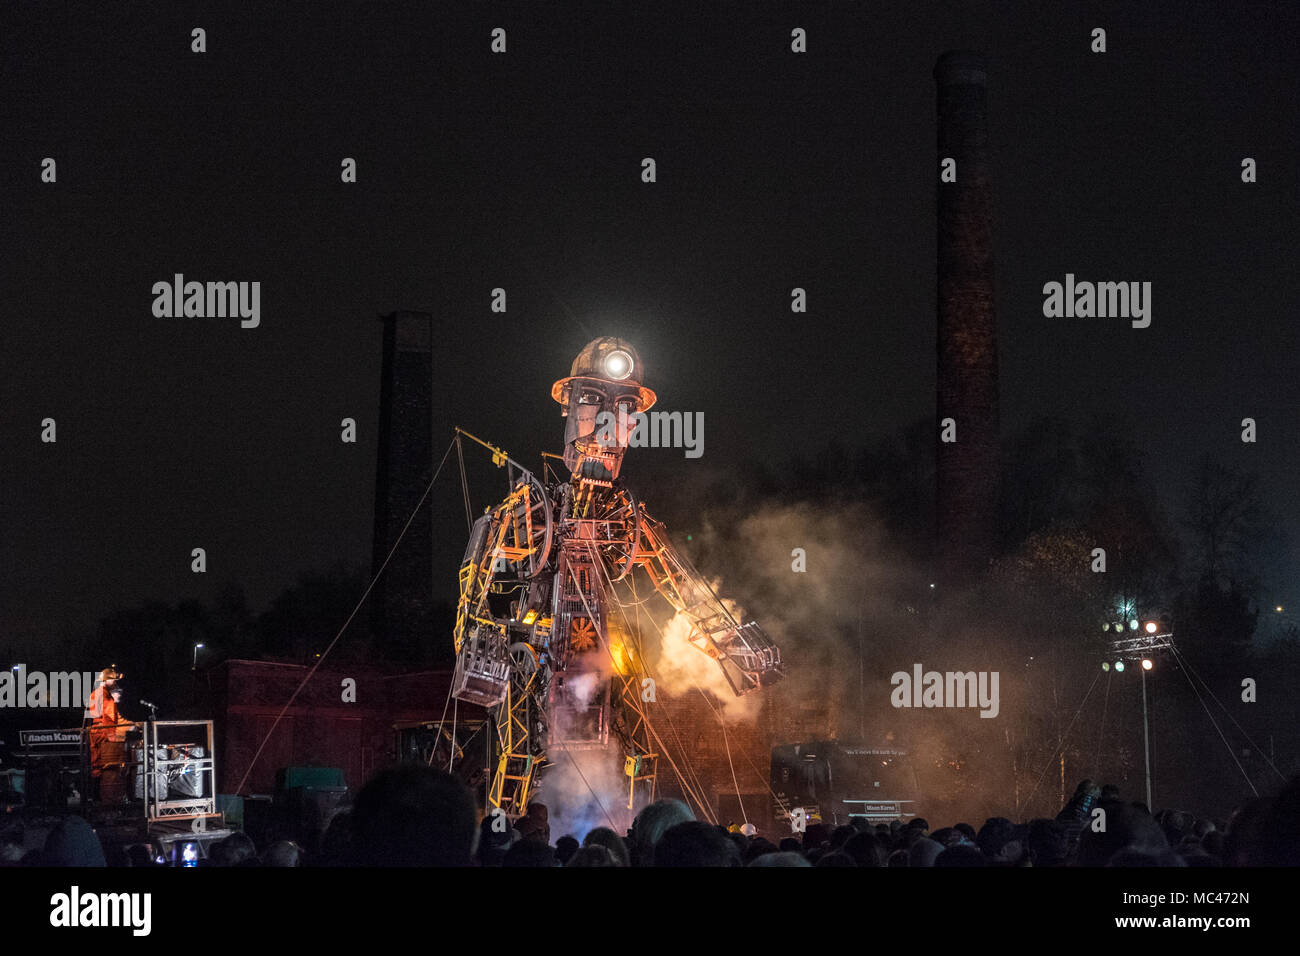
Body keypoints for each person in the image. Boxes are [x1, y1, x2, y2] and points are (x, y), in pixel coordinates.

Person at [84, 668, 135, 802]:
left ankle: (104, 802)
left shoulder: (98, 693)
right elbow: (109, 719)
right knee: (111, 772)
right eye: (113, 680)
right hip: (105, 736)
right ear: (107, 680)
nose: (115, 683)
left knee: (104, 770)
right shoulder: (104, 695)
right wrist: (113, 737)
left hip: (99, 734)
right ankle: (110, 805)